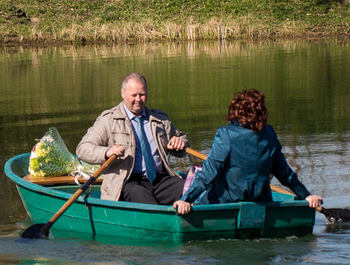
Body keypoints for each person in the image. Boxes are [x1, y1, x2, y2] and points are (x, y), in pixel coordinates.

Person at [173, 89, 322, 215]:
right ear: (262, 113)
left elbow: (209, 173)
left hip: (226, 205)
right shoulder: (269, 134)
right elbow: (285, 174)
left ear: (236, 112)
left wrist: (186, 200)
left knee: (198, 183)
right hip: (261, 204)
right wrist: (306, 195)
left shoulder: (226, 134)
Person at [76, 73, 189, 204]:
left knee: (191, 189)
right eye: (134, 95)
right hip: (126, 182)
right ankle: (158, 221)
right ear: (123, 93)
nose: (138, 99)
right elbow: (82, 149)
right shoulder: (108, 120)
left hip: (160, 180)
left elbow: (183, 140)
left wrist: (179, 144)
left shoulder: (160, 119)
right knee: (139, 194)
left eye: (142, 94)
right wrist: (106, 152)